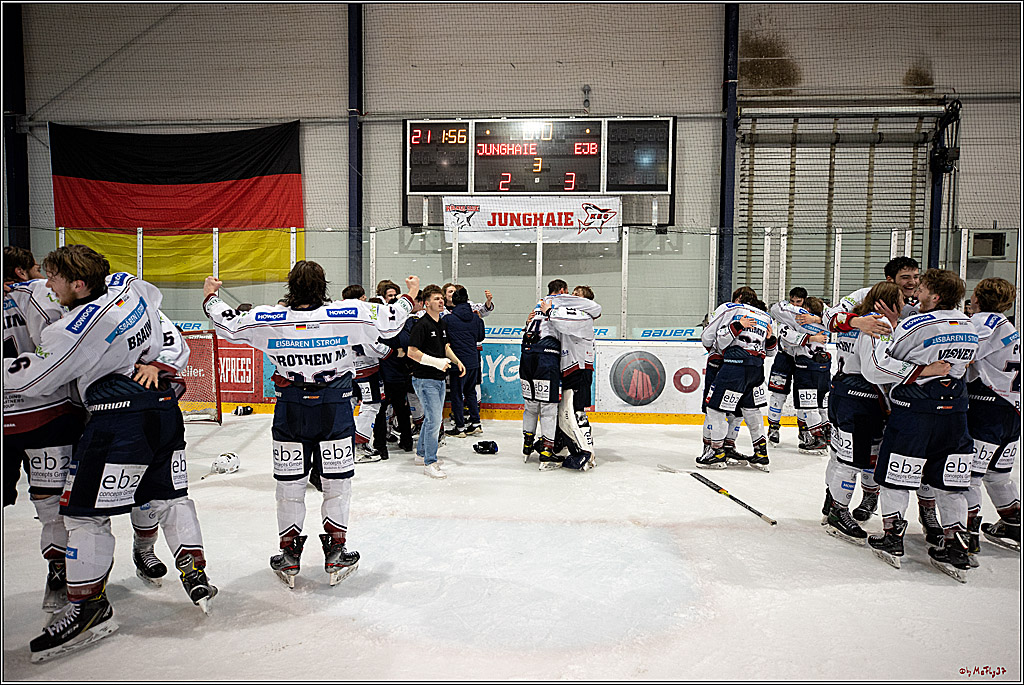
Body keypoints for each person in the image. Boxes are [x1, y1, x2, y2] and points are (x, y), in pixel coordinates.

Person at [5, 245, 214, 662]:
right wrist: (155, 360)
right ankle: (194, 570)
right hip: (164, 410)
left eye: (55, 279)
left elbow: (36, 379)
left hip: (119, 419)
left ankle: (88, 607)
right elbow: (155, 308)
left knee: (82, 514)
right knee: (170, 496)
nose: (48, 285)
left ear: (78, 284)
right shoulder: (129, 287)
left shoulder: (73, 329)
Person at [203, 262, 419, 586]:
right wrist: (409, 296)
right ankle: (336, 550)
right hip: (334, 407)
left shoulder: (269, 318)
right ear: (324, 286)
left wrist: (211, 297)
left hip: (290, 409)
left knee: (289, 487)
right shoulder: (347, 313)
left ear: (291, 287)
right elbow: (390, 323)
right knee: (337, 483)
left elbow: (228, 323)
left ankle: (289, 555)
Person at [812, 255, 939, 533]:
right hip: (860, 390)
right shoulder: (869, 306)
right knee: (848, 457)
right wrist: (858, 322)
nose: (913, 282)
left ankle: (851, 501)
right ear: (890, 280)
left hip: (867, 393)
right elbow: (828, 317)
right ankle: (837, 506)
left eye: (916, 277)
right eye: (906, 277)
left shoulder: (910, 306)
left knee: (866, 454)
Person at [867, 269, 979, 580]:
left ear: (936, 296)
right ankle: (956, 545)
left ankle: (892, 536)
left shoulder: (916, 324)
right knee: (951, 481)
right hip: (956, 411)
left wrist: (891, 328)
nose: (916, 293)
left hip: (915, 409)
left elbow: (881, 366)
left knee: (896, 477)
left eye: (923, 288)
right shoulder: (969, 323)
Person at [3, 247, 88, 618]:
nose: (43, 276)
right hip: (47, 416)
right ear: (22, 272)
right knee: (52, 508)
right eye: (37, 269)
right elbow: (65, 346)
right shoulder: (36, 292)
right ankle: (59, 573)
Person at [963, 278, 1020, 556]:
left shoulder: (983, 323)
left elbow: (965, 355)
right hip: (1012, 410)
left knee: (969, 476)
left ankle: (967, 534)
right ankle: (1014, 523)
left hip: (988, 408)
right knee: (998, 474)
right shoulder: (1008, 326)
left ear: (977, 297)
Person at [698, 297, 776, 471]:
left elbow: (716, 340)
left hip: (734, 367)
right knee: (751, 410)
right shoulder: (766, 318)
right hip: (756, 369)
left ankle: (716, 452)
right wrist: (770, 339)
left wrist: (737, 325)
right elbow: (771, 351)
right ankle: (761, 453)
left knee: (714, 408)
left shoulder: (732, 309)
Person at [408, 284, 465, 479]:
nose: (441, 301)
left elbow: (445, 346)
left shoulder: (442, 323)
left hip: (439, 378)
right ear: (426, 304)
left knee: (432, 419)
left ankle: (422, 454)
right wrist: (436, 362)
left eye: (441, 298)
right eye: (435, 299)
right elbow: (412, 353)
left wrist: (457, 361)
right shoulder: (421, 325)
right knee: (434, 420)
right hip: (425, 379)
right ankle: (429, 462)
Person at [546, 284, 602, 470]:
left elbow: (563, 323)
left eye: (577, 295)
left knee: (577, 412)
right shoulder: (572, 314)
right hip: (571, 369)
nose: (572, 297)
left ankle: (587, 453)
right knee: (565, 411)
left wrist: (549, 312)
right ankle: (566, 445)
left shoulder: (584, 316)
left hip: (580, 369)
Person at [700, 286, 759, 463]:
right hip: (733, 365)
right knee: (720, 408)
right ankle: (715, 447)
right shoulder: (730, 309)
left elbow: (707, 338)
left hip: (728, 364)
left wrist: (717, 350)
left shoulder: (729, 309)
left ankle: (721, 447)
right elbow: (708, 336)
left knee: (723, 408)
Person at [520, 280, 570, 470]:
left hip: (526, 356)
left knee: (531, 406)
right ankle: (547, 452)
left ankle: (527, 445)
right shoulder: (561, 304)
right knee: (548, 409)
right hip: (546, 357)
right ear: (563, 290)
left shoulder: (538, 304)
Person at [775, 296, 831, 453]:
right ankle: (828, 435)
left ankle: (817, 438)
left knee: (807, 405)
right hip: (823, 367)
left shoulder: (800, 323)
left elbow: (788, 336)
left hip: (806, 366)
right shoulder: (825, 322)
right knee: (822, 404)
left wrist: (808, 336)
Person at [766, 286, 809, 444]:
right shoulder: (782, 311)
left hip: (803, 359)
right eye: (792, 301)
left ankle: (804, 430)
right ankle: (773, 428)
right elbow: (774, 308)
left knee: (804, 397)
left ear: (804, 302)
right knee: (778, 394)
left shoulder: (809, 315)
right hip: (784, 356)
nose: (795, 304)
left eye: (798, 302)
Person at [443, 286, 485, 438]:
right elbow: (480, 337)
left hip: (457, 362)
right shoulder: (476, 318)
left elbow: (444, 340)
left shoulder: (448, 319)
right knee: (471, 392)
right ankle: (475, 423)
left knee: (457, 394)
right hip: (473, 360)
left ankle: (460, 427)